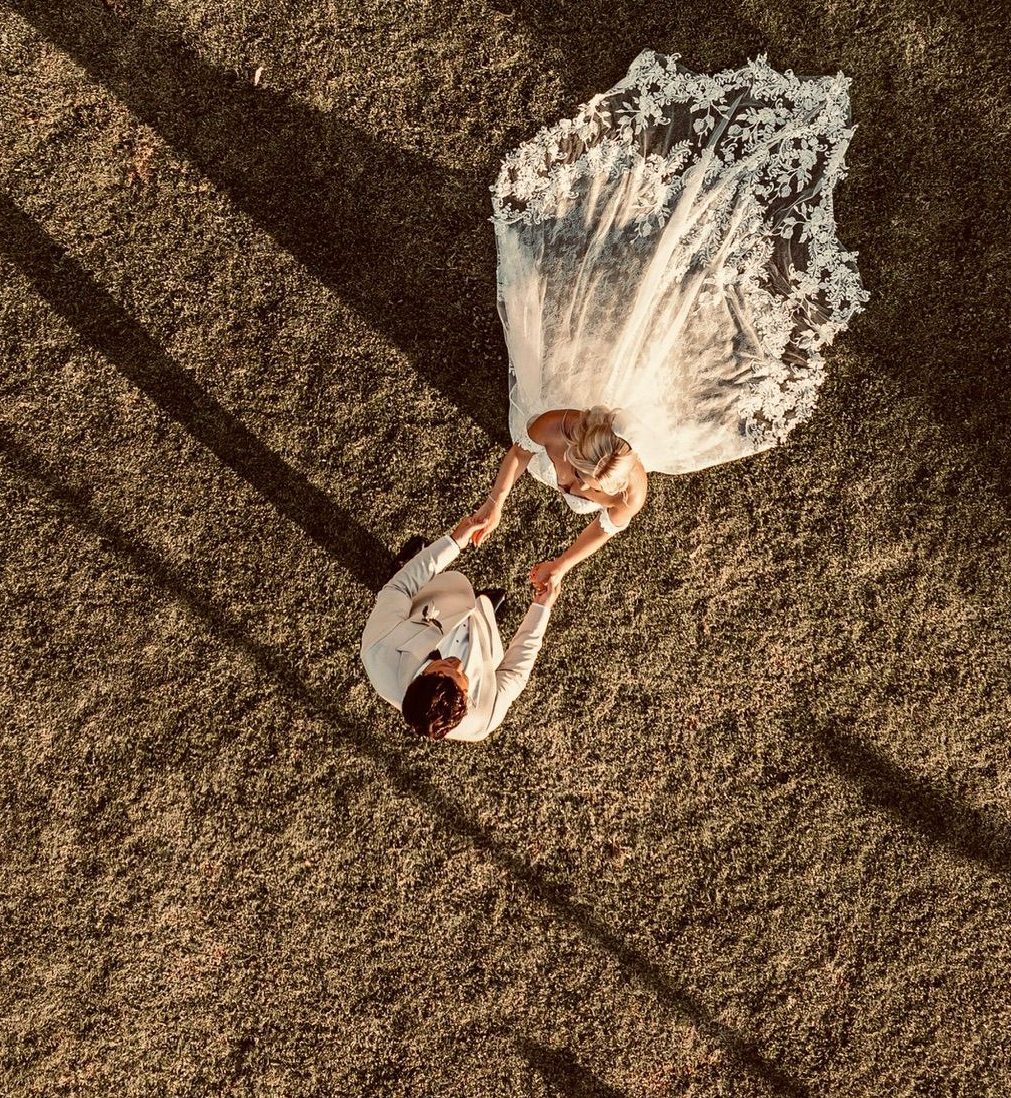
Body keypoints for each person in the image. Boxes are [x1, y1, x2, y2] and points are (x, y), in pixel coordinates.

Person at [474, 50, 869, 589]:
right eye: (578, 485)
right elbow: (522, 448)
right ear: (568, 446)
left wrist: (561, 567)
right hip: (585, 419)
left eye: (583, 490)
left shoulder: (629, 489)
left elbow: (607, 527)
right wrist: (495, 505)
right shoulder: (552, 426)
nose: (572, 491)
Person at [361, 522, 557, 743]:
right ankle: (481, 608)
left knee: (403, 582)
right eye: (463, 677)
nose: (459, 664)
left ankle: (405, 565)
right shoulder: (483, 720)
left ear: (422, 675)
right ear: (466, 701)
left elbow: (400, 588)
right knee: (480, 611)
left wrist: (454, 542)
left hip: (435, 597)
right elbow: (514, 672)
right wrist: (541, 609)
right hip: (481, 638)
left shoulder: (379, 648)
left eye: (445, 667)